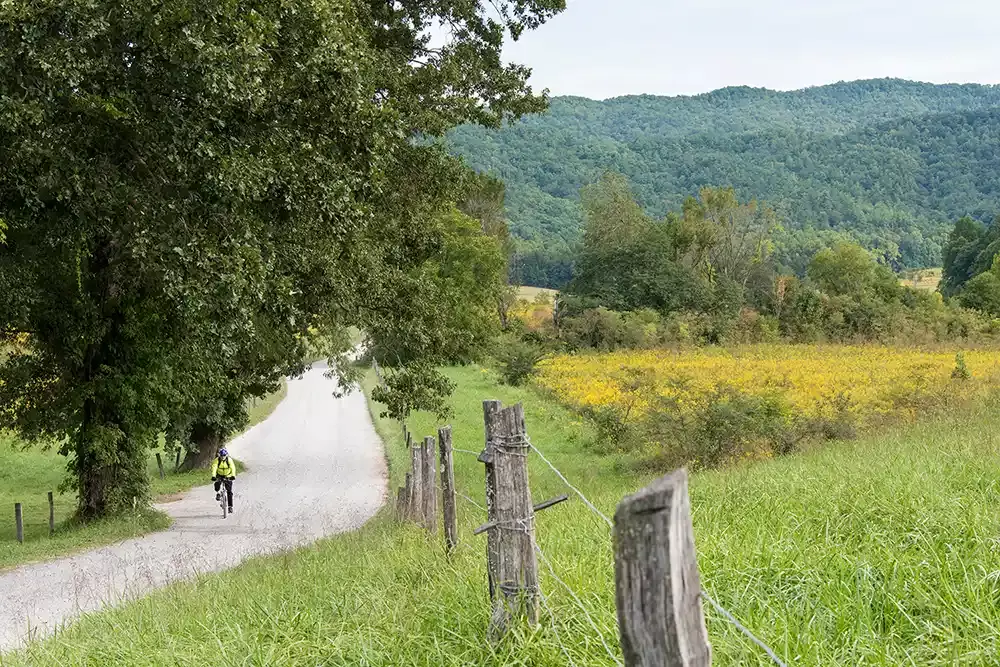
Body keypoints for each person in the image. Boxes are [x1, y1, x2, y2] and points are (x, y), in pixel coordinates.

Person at [212, 448, 236, 513]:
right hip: (219, 475)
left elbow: (232, 468)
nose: (223, 457)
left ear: (226, 455)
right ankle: (218, 493)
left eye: (224, 455)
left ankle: (230, 507)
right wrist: (213, 476)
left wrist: (233, 475)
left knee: (229, 491)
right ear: (219, 455)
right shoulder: (217, 460)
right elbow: (214, 468)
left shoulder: (229, 460)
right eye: (221, 455)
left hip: (228, 475)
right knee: (217, 485)